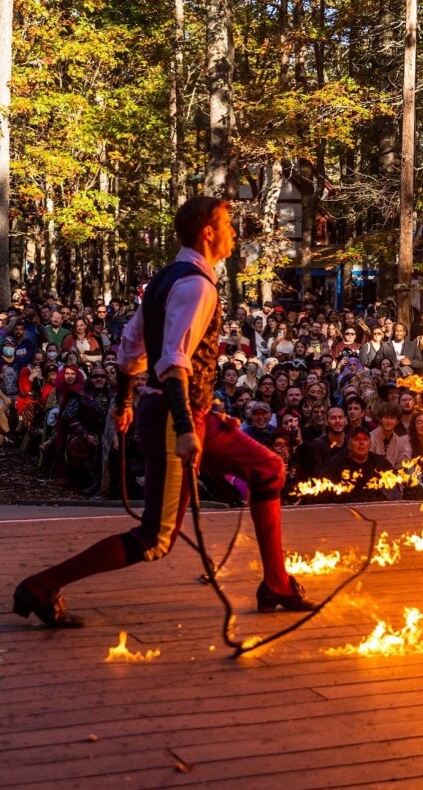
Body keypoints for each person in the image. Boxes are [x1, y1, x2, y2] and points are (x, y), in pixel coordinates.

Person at [13, 196, 318, 629]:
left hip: (184, 412)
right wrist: (185, 424)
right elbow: (172, 361)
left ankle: (277, 584)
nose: (235, 232)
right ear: (207, 232)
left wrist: (125, 403)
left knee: (268, 468)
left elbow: (129, 353)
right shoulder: (197, 284)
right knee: (155, 538)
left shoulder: (166, 278)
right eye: (228, 224)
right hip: (177, 418)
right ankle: (42, 585)